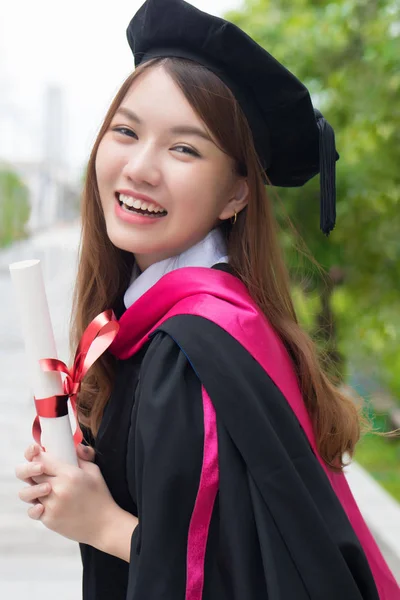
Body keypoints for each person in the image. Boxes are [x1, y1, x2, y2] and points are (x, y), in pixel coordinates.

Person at [14, 0, 399, 598]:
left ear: (236, 194)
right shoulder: (184, 321)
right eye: (126, 131)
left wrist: (104, 525)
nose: (139, 168)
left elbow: (264, 580)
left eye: (185, 149)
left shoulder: (193, 349)